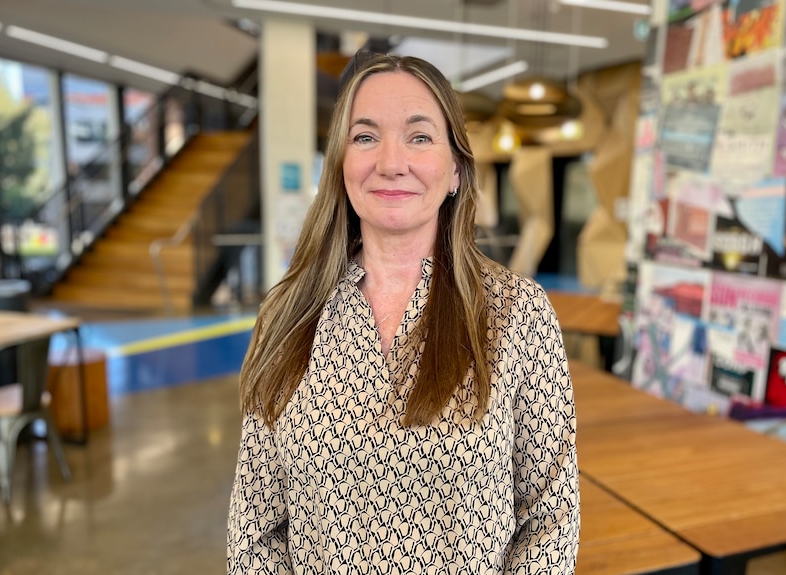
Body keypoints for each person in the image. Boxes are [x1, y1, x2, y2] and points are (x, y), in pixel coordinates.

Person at [227, 52, 579, 574]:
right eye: (365, 137)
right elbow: (255, 529)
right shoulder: (288, 315)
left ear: (455, 169)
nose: (391, 162)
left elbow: (550, 517)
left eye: (419, 137)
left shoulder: (518, 314)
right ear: (341, 165)